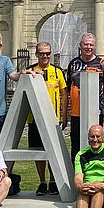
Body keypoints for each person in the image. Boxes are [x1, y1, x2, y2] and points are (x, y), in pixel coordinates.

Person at [26, 42, 68, 196]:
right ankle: (42, 181)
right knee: (38, 152)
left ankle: (53, 181)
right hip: (35, 119)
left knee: (54, 152)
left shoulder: (57, 72)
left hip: (53, 118)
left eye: (47, 53)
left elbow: (64, 93)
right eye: (41, 53)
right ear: (36, 54)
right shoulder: (30, 71)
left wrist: (64, 115)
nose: (45, 56)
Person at [66, 33, 104, 160]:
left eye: (91, 45)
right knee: (76, 144)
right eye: (86, 44)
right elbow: (69, 85)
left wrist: (100, 101)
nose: (88, 47)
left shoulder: (101, 64)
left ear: (95, 46)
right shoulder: (73, 64)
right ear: (80, 46)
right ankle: (76, 173)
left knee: (96, 141)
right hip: (77, 112)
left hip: (95, 111)